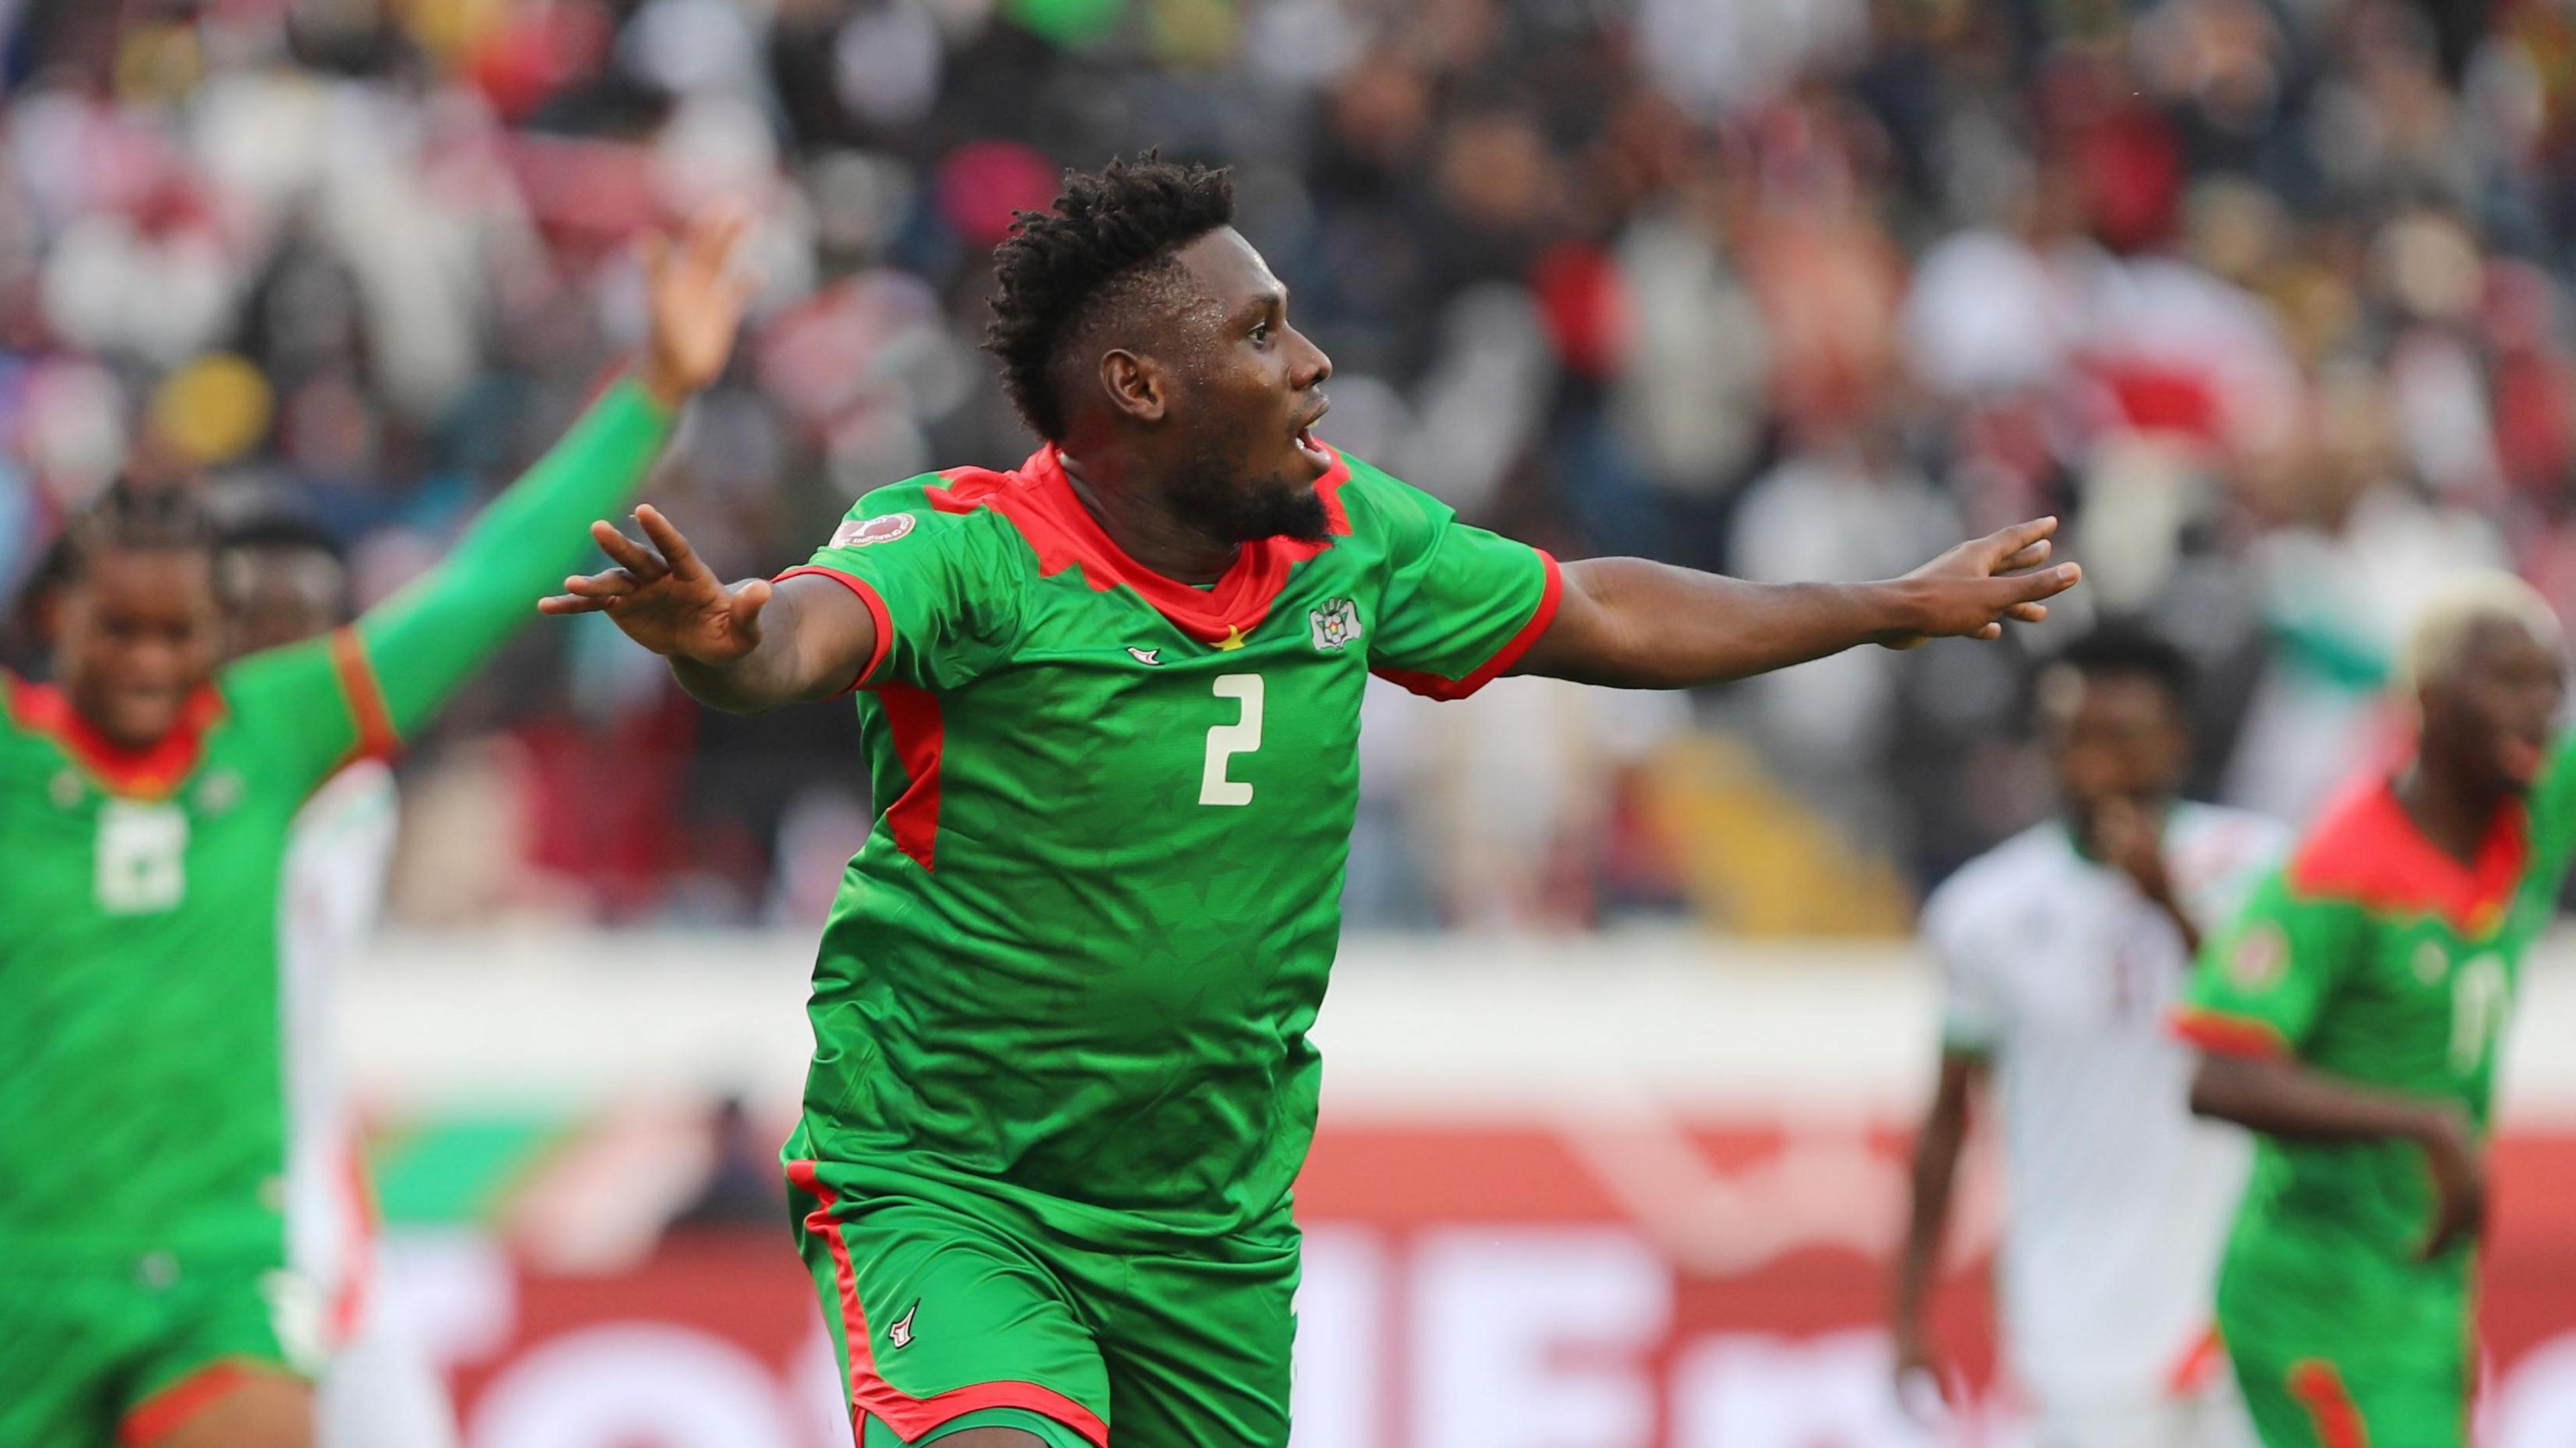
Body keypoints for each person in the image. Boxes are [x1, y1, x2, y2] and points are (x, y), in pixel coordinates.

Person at [546, 154, 2080, 1448]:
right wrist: (724, 642)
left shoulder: (1344, 536)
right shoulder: (970, 549)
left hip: (1207, 1224)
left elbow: (1594, 612)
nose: (1312, 363)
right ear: (1141, 385)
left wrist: (1885, 604)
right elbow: (807, 633)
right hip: (957, 1185)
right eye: (1264, 332)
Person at [0, 207, 747, 1448]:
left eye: (177, 632)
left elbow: (485, 579)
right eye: (115, 631)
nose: (149, 659)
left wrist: (653, 392)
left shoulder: (274, 728)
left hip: (219, 1271)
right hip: (29, 1272)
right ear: (53, 625)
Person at [2176, 573, 2568, 1448]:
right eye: (2508, 680)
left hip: (2425, 1282)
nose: (2538, 706)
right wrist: (2423, 1122)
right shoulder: (2335, 871)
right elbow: (2219, 1074)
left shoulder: (2532, 800)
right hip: (2321, 1296)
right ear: (2426, 698)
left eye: (2549, 683)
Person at [1892, 624, 2290, 1447]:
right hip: (2074, 1318)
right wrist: (1908, 1313)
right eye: (2072, 739)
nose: (2093, 765)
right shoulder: (1988, 911)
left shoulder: (2258, 868)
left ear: (2176, 740)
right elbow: (1946, 1122)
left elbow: (2280, 1038)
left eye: (2122, 740)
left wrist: (2169, 902)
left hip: (2240, 1308)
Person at [215, 507, 457, 1448]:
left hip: (320, 1212)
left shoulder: (359, 796)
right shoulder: (154, 799)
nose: (280, 644)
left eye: (303, 621)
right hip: (193, 1221)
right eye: (254, 618)